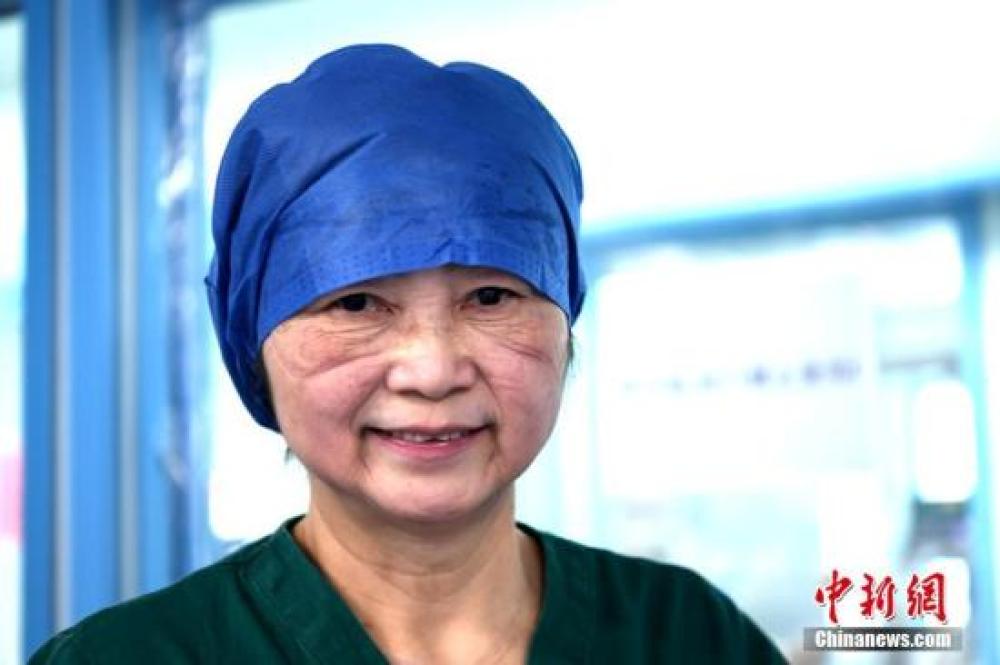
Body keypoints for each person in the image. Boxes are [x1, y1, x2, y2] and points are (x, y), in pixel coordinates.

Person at [30, 44, 787, 664]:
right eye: (357, 303)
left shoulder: (689, 637)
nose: (432, 371)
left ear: (566, 324)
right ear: (252, 344)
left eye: (490, 296)